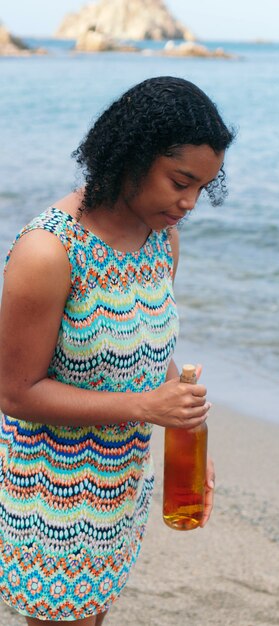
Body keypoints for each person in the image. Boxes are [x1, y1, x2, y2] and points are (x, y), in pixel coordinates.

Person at [0, 76, 235, 625]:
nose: (189, 202)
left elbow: (152, 356)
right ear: (132, 154)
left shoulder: (161, 238)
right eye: (181, 181)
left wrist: (189, 436)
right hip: (52, 493)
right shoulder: (47, 252)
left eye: (203, 188)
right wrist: (144, 409)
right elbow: (13, 392)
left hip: (121, 483)